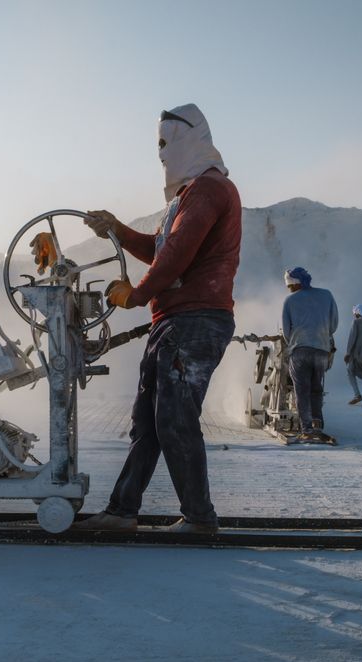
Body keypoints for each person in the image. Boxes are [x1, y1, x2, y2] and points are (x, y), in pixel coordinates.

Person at [64, 104, 241, 535]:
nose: (161, 154)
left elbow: (177, 254)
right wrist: (117, 230)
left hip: (195, 320)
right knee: (149, 421)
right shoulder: (187, 197)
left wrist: (137, 293)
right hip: (175, 320)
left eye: (165, 144)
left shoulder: (209, 190)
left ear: (187, 141)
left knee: (175, 419)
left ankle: (199, 519)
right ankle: (122, 511)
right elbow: (165, 249)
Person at [281, 267, 338, 441]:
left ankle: (306, 428)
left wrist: (295, 341)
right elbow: (334, 324)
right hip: (321, 350)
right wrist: (322, 336)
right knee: (316, 387)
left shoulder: (290, 300)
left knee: (301, 389)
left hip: (300, 350)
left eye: (289, 285)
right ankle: (317, 423)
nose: (288, 289)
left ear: (295, 284)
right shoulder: (327, 295)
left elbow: (286, 331)